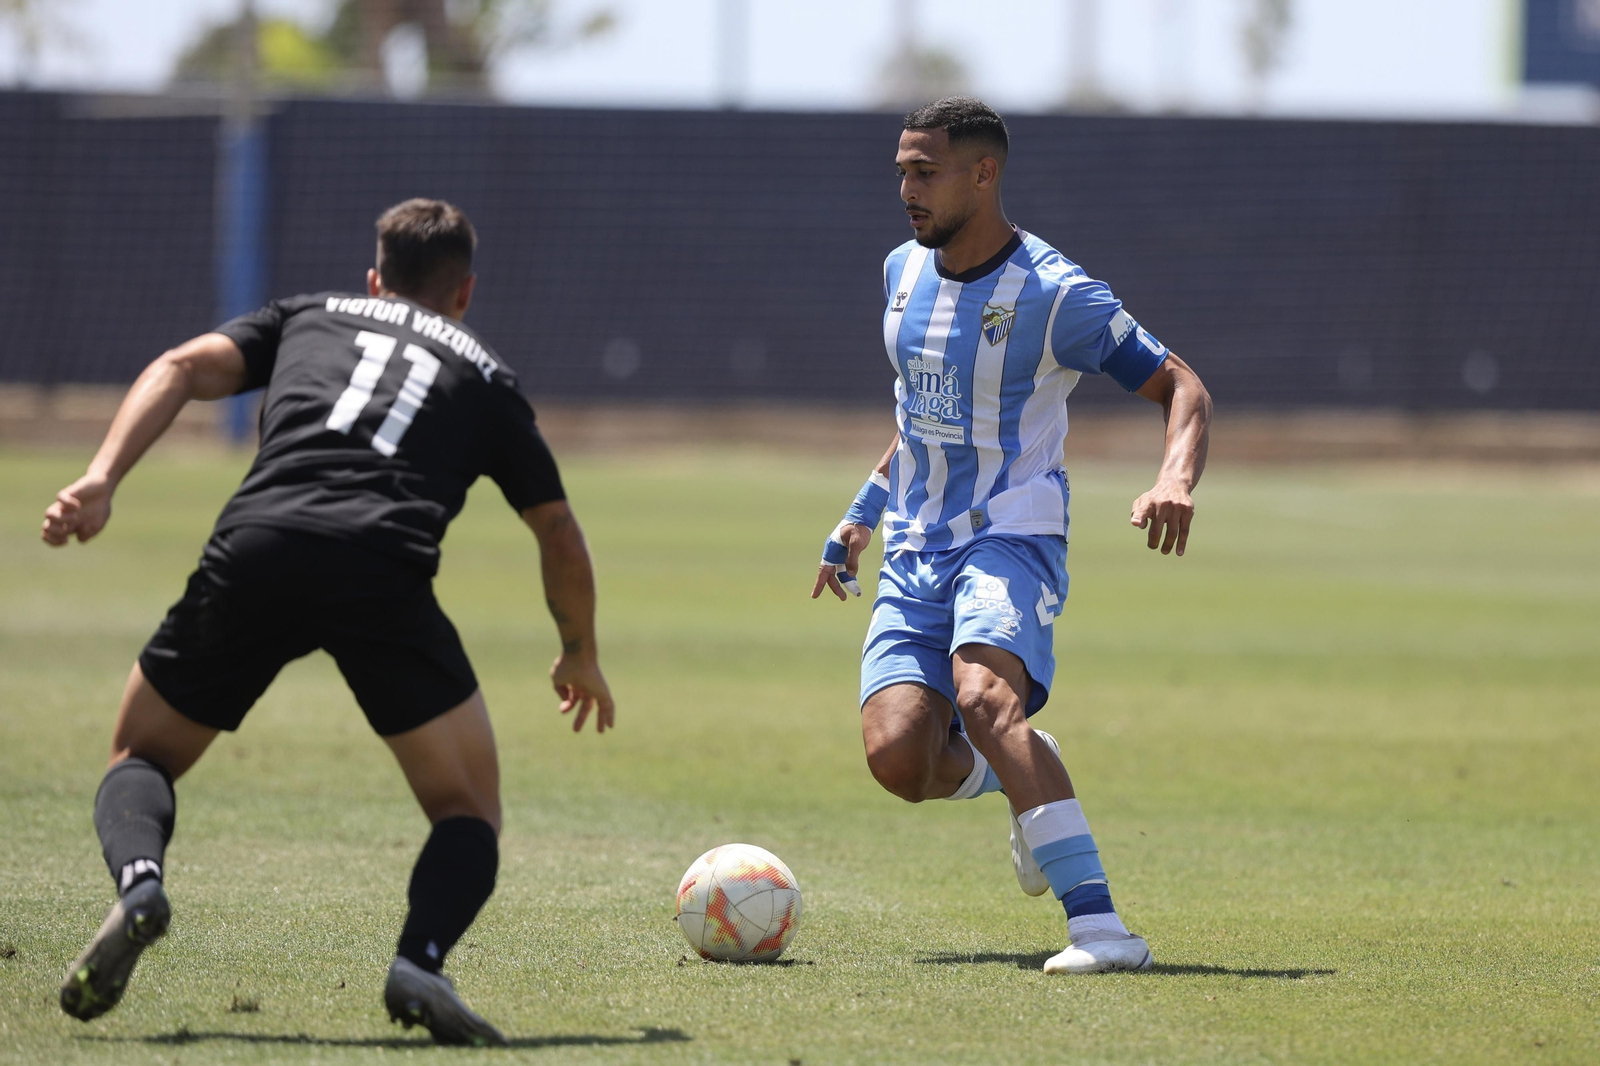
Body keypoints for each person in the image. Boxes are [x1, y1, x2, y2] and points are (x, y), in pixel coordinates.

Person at [42, 198, 614, 1044]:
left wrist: (101, 477)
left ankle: (138, 883)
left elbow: (181, 367)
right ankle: (419, 959)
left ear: (375, 280)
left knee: (142, 755)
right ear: (464, 293)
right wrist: (579, 653)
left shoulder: (308, 314)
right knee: (466, 809)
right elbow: (558, 530)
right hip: (381, 570)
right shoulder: (488, 379)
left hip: (259, 546)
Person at [811, 99, 1211, 974]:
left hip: (1012, 533)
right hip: (915, 548)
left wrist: (1175, 478)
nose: (907, 190)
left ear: (983, 174)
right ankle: (1020, 768)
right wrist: (862, 513)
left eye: (926, 172)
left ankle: (1101, 928)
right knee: (898, 758)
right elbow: (921, 419)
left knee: (985, 698)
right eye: (901, 172)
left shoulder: (1055, 294)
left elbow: (1182, 385)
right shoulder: (900, 274)